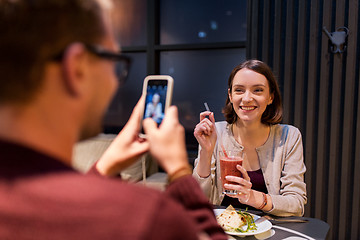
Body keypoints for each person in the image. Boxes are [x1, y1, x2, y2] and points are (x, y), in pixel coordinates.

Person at [0, 0, 227, 239]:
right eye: (114, 62)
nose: (114, 81)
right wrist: (180, 171)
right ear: (77, 68)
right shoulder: (146, 219)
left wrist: (104, 168)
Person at [193, 60, 307, 217]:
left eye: (258, 90)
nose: (247, 98)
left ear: (270, 97)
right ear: (230, 96)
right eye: (239, 90)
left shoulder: (288, 137)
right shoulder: (214, 132)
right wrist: (206, 152)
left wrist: (254, 198)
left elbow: (296, 204)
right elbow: (196, 200)